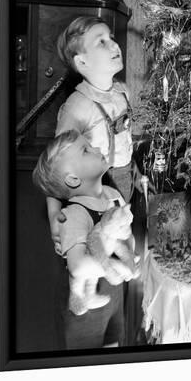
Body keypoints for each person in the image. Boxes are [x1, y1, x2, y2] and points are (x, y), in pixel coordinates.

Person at [47, 15, 150, 252]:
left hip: (124, 180)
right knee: (95, 251)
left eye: (111, 38)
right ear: (82, 62)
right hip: (96, 186)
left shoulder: (121, 92)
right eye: (101, 42)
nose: (114, 45)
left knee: (120, 243)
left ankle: (118, 274)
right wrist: (54, 214)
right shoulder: (78, 106)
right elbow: (55, 164)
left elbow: (124, 136)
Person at [33, 130, 135, 349]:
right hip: (84, 306)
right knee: (85, 357)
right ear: (72, 179)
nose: (97, 148)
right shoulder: (74, 214)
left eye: (91, 145)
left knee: (114, 342)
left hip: (112, 294)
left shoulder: (112, 196)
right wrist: (114, 267)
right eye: (86, 150)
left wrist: (129, 254)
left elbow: (124, 235)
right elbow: (78, 267)